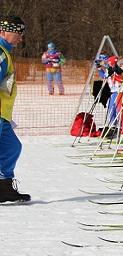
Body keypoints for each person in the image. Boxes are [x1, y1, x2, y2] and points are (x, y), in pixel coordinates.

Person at [0, 15, 30, 203]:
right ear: (3, 32)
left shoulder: (5, 52)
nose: (20, 38)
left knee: (12, 147)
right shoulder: (1, 53)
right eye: (17, 33)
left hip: (3, 114)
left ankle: (4, 187)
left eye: (22, 33)